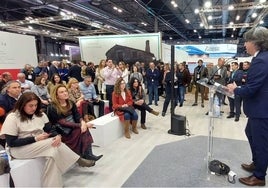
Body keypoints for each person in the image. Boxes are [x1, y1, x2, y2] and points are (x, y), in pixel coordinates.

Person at [0, 92, 95, 187]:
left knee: (52, 154)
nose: (33, 108)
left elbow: (50, 129)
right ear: (22, 105)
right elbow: (11, 142)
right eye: (30, 105)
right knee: (51, 143)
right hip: (19, 149)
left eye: (36, 105)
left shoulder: (40, 115)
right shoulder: (12, 118)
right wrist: (35, 139)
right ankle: (77, 160)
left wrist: (57, 136)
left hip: (40, 144)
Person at [227, 26, 268, 186]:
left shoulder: (261, 60)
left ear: (256, 42)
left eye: (247, 41)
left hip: (261, 110)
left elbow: (251, 89)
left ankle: (259, 176)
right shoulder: (262, 58)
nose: (245, 45)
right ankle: (257, 163)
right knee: (249, 133)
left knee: (260, 143)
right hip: (260, 109)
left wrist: (235, 88)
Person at [47, 84, 103, 161]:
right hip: (62, 130)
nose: (65, 93)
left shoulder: (70, 103)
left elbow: (77, 115)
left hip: (73, 126)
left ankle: (88, 154)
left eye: (66, 91)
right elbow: (62, 123)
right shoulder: (52, 107)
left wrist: (82, 122)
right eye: (61, 92)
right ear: (56, 95)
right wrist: (82, 125)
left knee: (83, 129)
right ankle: (86, 154)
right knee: (82, 129)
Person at [0, 81, 21, 147]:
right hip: (6, 128)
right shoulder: (2, 101)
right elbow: (3, 118)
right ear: (8, 89)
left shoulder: (18, 97)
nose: (17, 89)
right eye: (14, 87)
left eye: (19, 87)